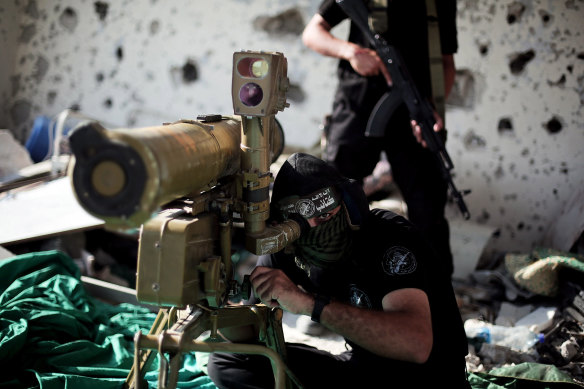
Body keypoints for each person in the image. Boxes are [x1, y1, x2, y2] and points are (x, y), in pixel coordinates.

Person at [207, 152, 470, 388]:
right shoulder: (289, 248)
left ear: (347, 205)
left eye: (327, 216)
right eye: (307, 223)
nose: (321, 228)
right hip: (362, 369)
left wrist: (311, 305)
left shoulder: (389, 238)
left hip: (427, 378)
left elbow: (416, 345)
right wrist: (211, 305)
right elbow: (250, 333)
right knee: (229, 360)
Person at [302, 0, 458, 276]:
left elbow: (446, 62)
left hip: (413, 112)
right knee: (333, 205)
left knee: (429, 212)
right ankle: (327, 289)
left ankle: (436, 299)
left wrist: (431, 108)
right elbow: (313, 32)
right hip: (357, 106)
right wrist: (351, 52)